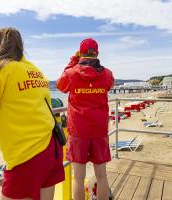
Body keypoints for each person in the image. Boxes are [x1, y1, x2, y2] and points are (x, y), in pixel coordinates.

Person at [0, 27, 64, 200]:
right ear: (21, 46)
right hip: (52, 147)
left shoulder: (2, 69)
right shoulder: (34, 70)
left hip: (29, 153)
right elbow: (24, 103)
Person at [57, 38, 114, 200]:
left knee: (79, 177)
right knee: (102, 176)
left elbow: (61, 86)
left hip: (78, 130)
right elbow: (110, 85)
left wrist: (73, 61)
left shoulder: (71, 73)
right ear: (97, 53)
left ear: (80, 53)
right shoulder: (107, 74)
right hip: (99, 129)